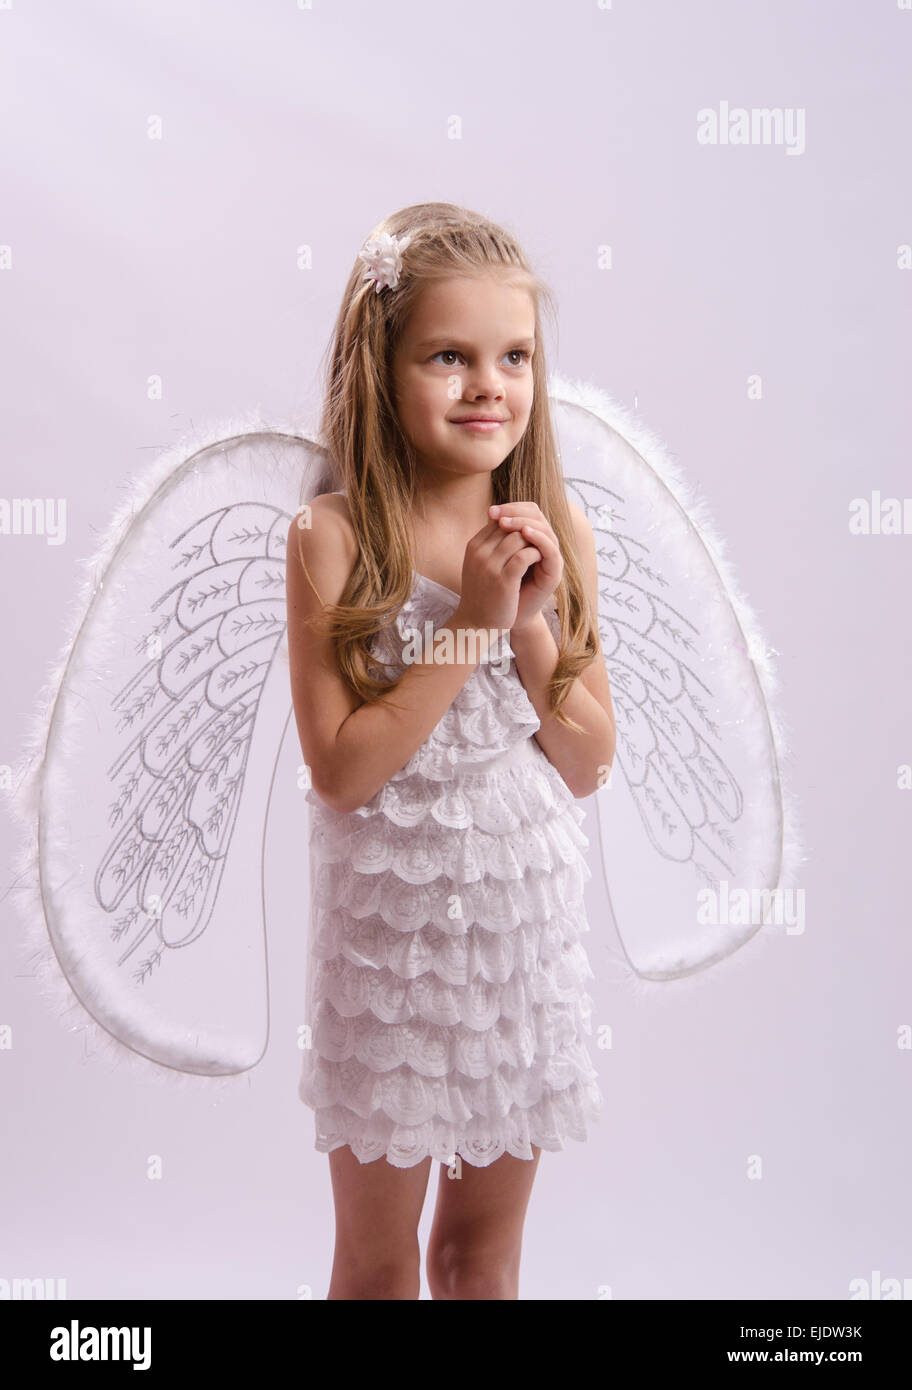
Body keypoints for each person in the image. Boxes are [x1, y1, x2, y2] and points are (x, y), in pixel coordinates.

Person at [285, 201, 616, 1300]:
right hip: (390, 952)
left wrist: (525, 622)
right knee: (379, 1263)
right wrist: (468, 616)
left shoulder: (552, 526)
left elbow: (586, 759)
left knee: (480, 1257)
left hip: (518, 941)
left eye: (513, 356)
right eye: (450, 356)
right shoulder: (335, 537)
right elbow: (342, 770)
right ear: (381, 366)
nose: (489, 385)